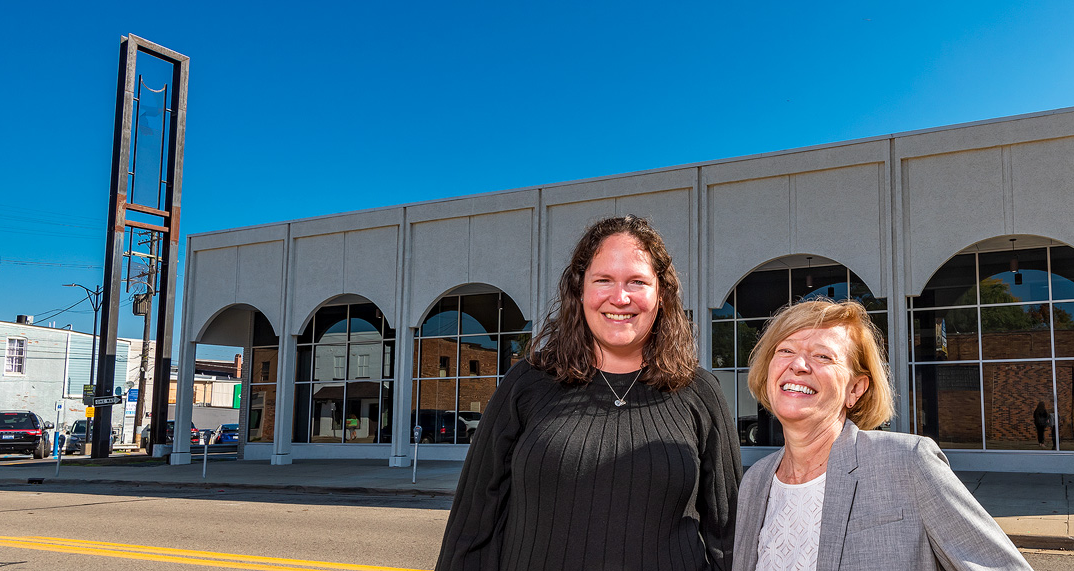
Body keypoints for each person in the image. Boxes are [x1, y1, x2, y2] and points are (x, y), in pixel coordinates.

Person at [437, 215, 741, 571]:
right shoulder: (528, 384)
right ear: (580, 291)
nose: (620, 297)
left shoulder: (699, 393)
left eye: (637, 282)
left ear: (661, 295)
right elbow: (474, 523)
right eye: (604, 280)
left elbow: (730, 535)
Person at [732, 299, 1030, 571]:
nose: (798, 365)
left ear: (855, 389)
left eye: (823, 356)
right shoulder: (756, 481)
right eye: (785, 350)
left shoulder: (907, 463)